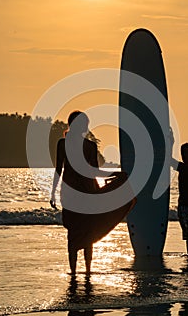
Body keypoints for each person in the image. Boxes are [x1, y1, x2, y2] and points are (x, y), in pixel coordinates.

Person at [50, 111, 136, 275]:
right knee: (74, 231)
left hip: (88, 192)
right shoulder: (63, 144)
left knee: (88, 231)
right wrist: (53, 192)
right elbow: (58, 169)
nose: (84, 127)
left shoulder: (90, 146)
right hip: (71, 194)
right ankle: (74, 272)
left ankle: (88, 271)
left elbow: (94, 171)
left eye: (85, 124)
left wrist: (115, 175)